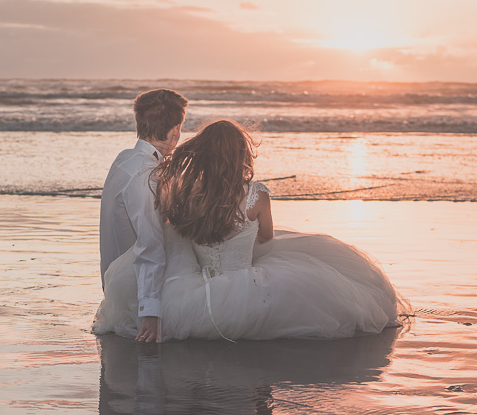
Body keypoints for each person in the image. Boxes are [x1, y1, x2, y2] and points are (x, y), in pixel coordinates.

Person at [94, 120, 411, 341]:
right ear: (239, 156)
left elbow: (177, 233)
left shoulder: (188, 194)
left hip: (192, 287)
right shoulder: (257, 194)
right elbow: (267, 239)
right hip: (246, 282)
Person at [99, 88, 187, 343]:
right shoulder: (146, 175)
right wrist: (150, 313)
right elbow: (150, 245)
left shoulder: (125, 159)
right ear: (175, 130)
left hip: (117, 283)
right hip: (134, 296)